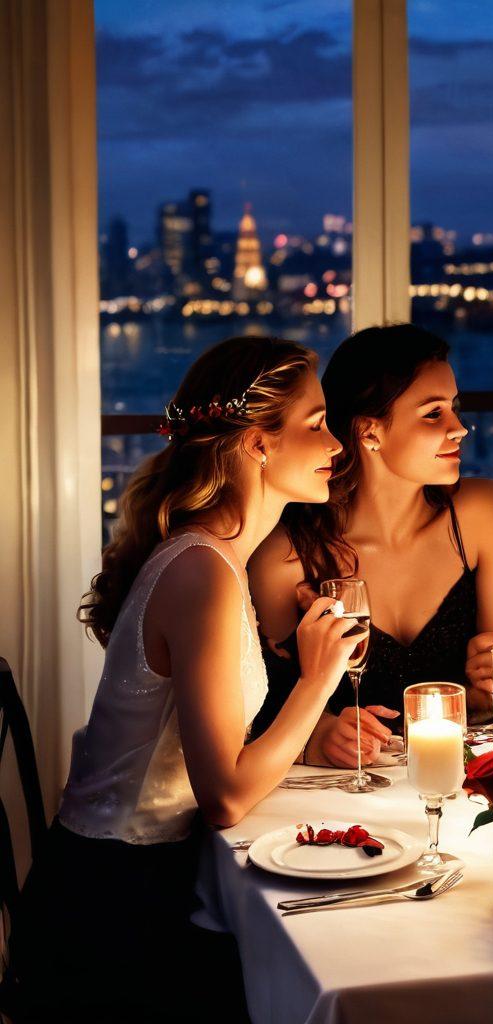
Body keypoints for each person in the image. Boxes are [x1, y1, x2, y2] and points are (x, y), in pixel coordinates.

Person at [2, 336, 366, 1022]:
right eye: (316, 425)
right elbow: (225, 796)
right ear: (257, 444)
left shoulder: (216, 558)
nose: (336, 446)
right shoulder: (201, 572)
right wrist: (319, 680)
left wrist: (309, 739)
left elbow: (216, 743)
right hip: (112, 913)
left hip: (132, 884)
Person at [248, 325, 493, 767]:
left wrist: (490, 685)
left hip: (457, 775)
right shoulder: (284, 559)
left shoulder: (485, 514)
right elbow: (260, 709)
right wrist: (321, 735)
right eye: (434, 414)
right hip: (338, 793)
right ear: (369, 432)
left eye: (455, 409)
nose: (460, 429)